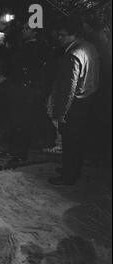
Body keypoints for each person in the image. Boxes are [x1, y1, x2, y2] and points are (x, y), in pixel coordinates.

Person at [48, 19, 99, 185]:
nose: (60, 38)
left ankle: (68, 176)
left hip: (74, 105)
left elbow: (69, 87)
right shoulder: (90, 47)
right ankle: (72, 170)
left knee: (70, 141)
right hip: (88, 101)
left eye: (63, 35)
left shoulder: (73, 53)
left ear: (73, 35)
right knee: (77, 140)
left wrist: (62, 113)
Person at [6, 22, 47, 164]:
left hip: (26, 90)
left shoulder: (37, 48)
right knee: (17, 120)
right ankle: (15, 150)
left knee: (23, 122)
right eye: (23, 28)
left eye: (27, 29)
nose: (23, 30)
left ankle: (19, 154)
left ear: (35, 32)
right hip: (19, 88)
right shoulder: (23, 46)